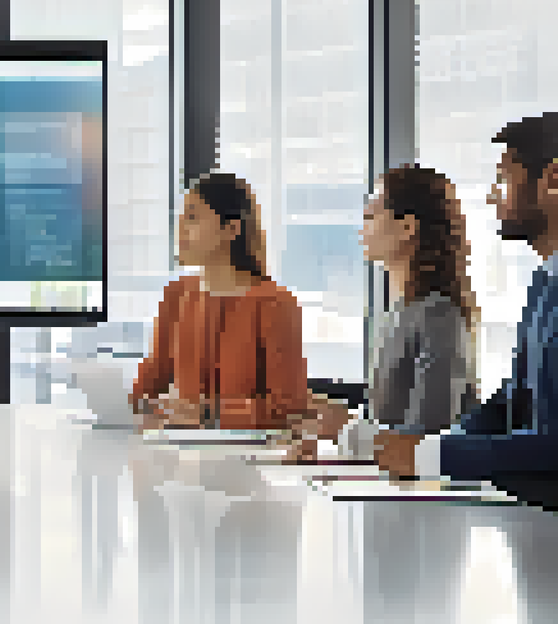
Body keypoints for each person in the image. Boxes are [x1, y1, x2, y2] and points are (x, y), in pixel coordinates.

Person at [375, 114, 558, 508]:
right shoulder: (544, 282)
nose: (492, 196)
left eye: (504, 179)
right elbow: (510, 403)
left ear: (553, 180)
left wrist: (434, 456)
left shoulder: (439, 314)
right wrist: (428, 448)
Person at [292, 166, 479, 460]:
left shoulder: (438, 316)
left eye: (371, 216)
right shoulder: (402, 309)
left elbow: (423, 438)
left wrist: (344, 428)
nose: (362, 227)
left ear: (407, 228)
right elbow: (387, 420)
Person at [130, 172, 309, 431]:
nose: (180, 229)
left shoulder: (274, 303)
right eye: (180, 218)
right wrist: (125, 404)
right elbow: (150, 383)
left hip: (248, 451)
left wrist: (209, 414)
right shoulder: (177, 294)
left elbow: (288, 408)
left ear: (231, 229)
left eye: (192, 218)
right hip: (178, 447)